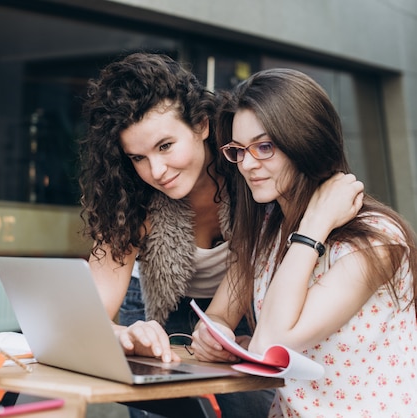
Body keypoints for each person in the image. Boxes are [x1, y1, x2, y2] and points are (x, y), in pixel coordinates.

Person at [192, 67, 417, 416]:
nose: (248, 164)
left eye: (264, 147)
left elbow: (273, 345)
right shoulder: (266, 228)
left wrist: (313, 226)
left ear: (306, 141)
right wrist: (214, 335)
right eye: (239, 150)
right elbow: (221, 313)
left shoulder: (377, 240)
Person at [79, 52, 273, 417]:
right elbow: (92, 311)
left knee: (253, 404)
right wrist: (119, 333)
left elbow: (250, 264)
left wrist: (217, 326)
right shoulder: (131, 195)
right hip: (155, 308)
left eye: (165, 146)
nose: (156, 170)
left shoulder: (247, 173)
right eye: (138, 157)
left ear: (201, 125)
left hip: (241, 299)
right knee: (157, 408)